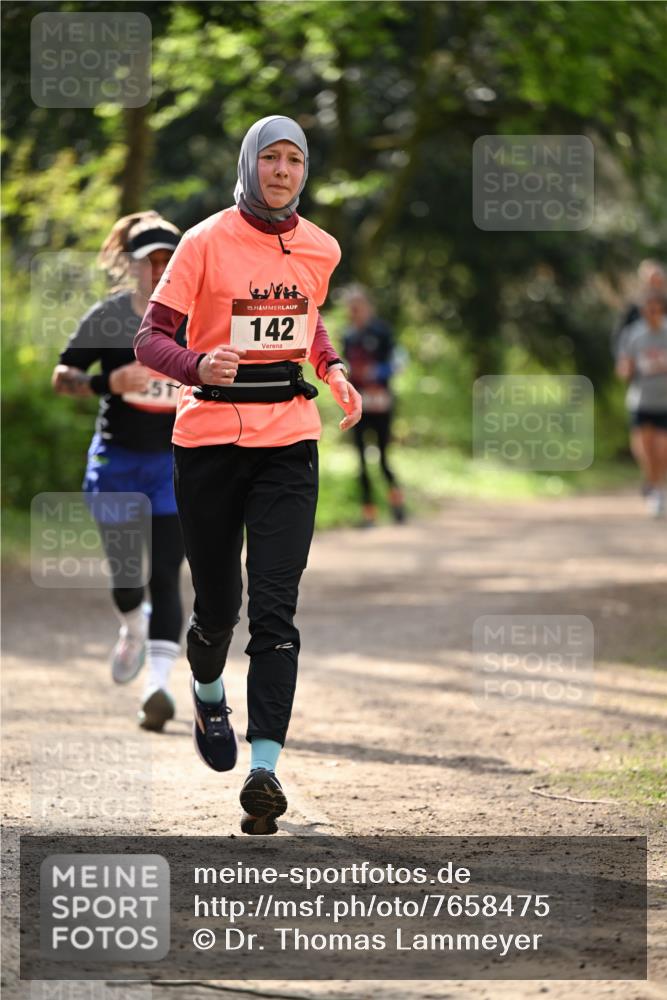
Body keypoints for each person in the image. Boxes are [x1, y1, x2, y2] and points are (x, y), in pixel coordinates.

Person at [134, 115, 362, 835]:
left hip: (288, 440)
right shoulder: (203, 242)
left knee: (275, 611)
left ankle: (264, 770)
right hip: (206, 442)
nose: (284, 171)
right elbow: (150, 337)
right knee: (217, 610)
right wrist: (197, 364)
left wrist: (332, 369)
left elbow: (306, 317)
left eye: (296, 159)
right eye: (272, 158)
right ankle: (205, 689)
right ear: (250, 165)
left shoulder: (320, 246)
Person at [52, 212, 186, 731]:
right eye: (149, 260)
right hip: (116, 462)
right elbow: (63, 376)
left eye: (167, 259)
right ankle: (132, 625)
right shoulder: (108, 318)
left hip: (174, 465)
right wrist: (111, 381)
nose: (158, 268)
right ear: (132, 266)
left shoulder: (199, 317)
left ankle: (157, 686)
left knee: (167, 575)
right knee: (128, 576)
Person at [342, 285, 405, 526]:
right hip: (358, 406)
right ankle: (368, 513)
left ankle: (397, 503)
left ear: (368, 307)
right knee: (360, 461)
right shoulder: (348, 335)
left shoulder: (382, 331)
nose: (354, 312)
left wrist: (376, 372)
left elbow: (398, 361)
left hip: (382, 403)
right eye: (351, 308)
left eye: (358, 307)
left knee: (383, 458)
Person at [615, 290, 667, 517]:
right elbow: (624, 366)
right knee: (646, 451)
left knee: (661, 450)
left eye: (655, 309)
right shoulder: (634, 335)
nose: (651, 313)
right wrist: (625, 369)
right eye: (647, 310)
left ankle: (658, 490)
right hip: (641, 400)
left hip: (665, 402)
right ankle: (653, 486)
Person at [612, 259, 666, 358]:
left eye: (656, 281)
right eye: (650, 282)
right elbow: (620, 338)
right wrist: (623, 359)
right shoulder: (632, 310)